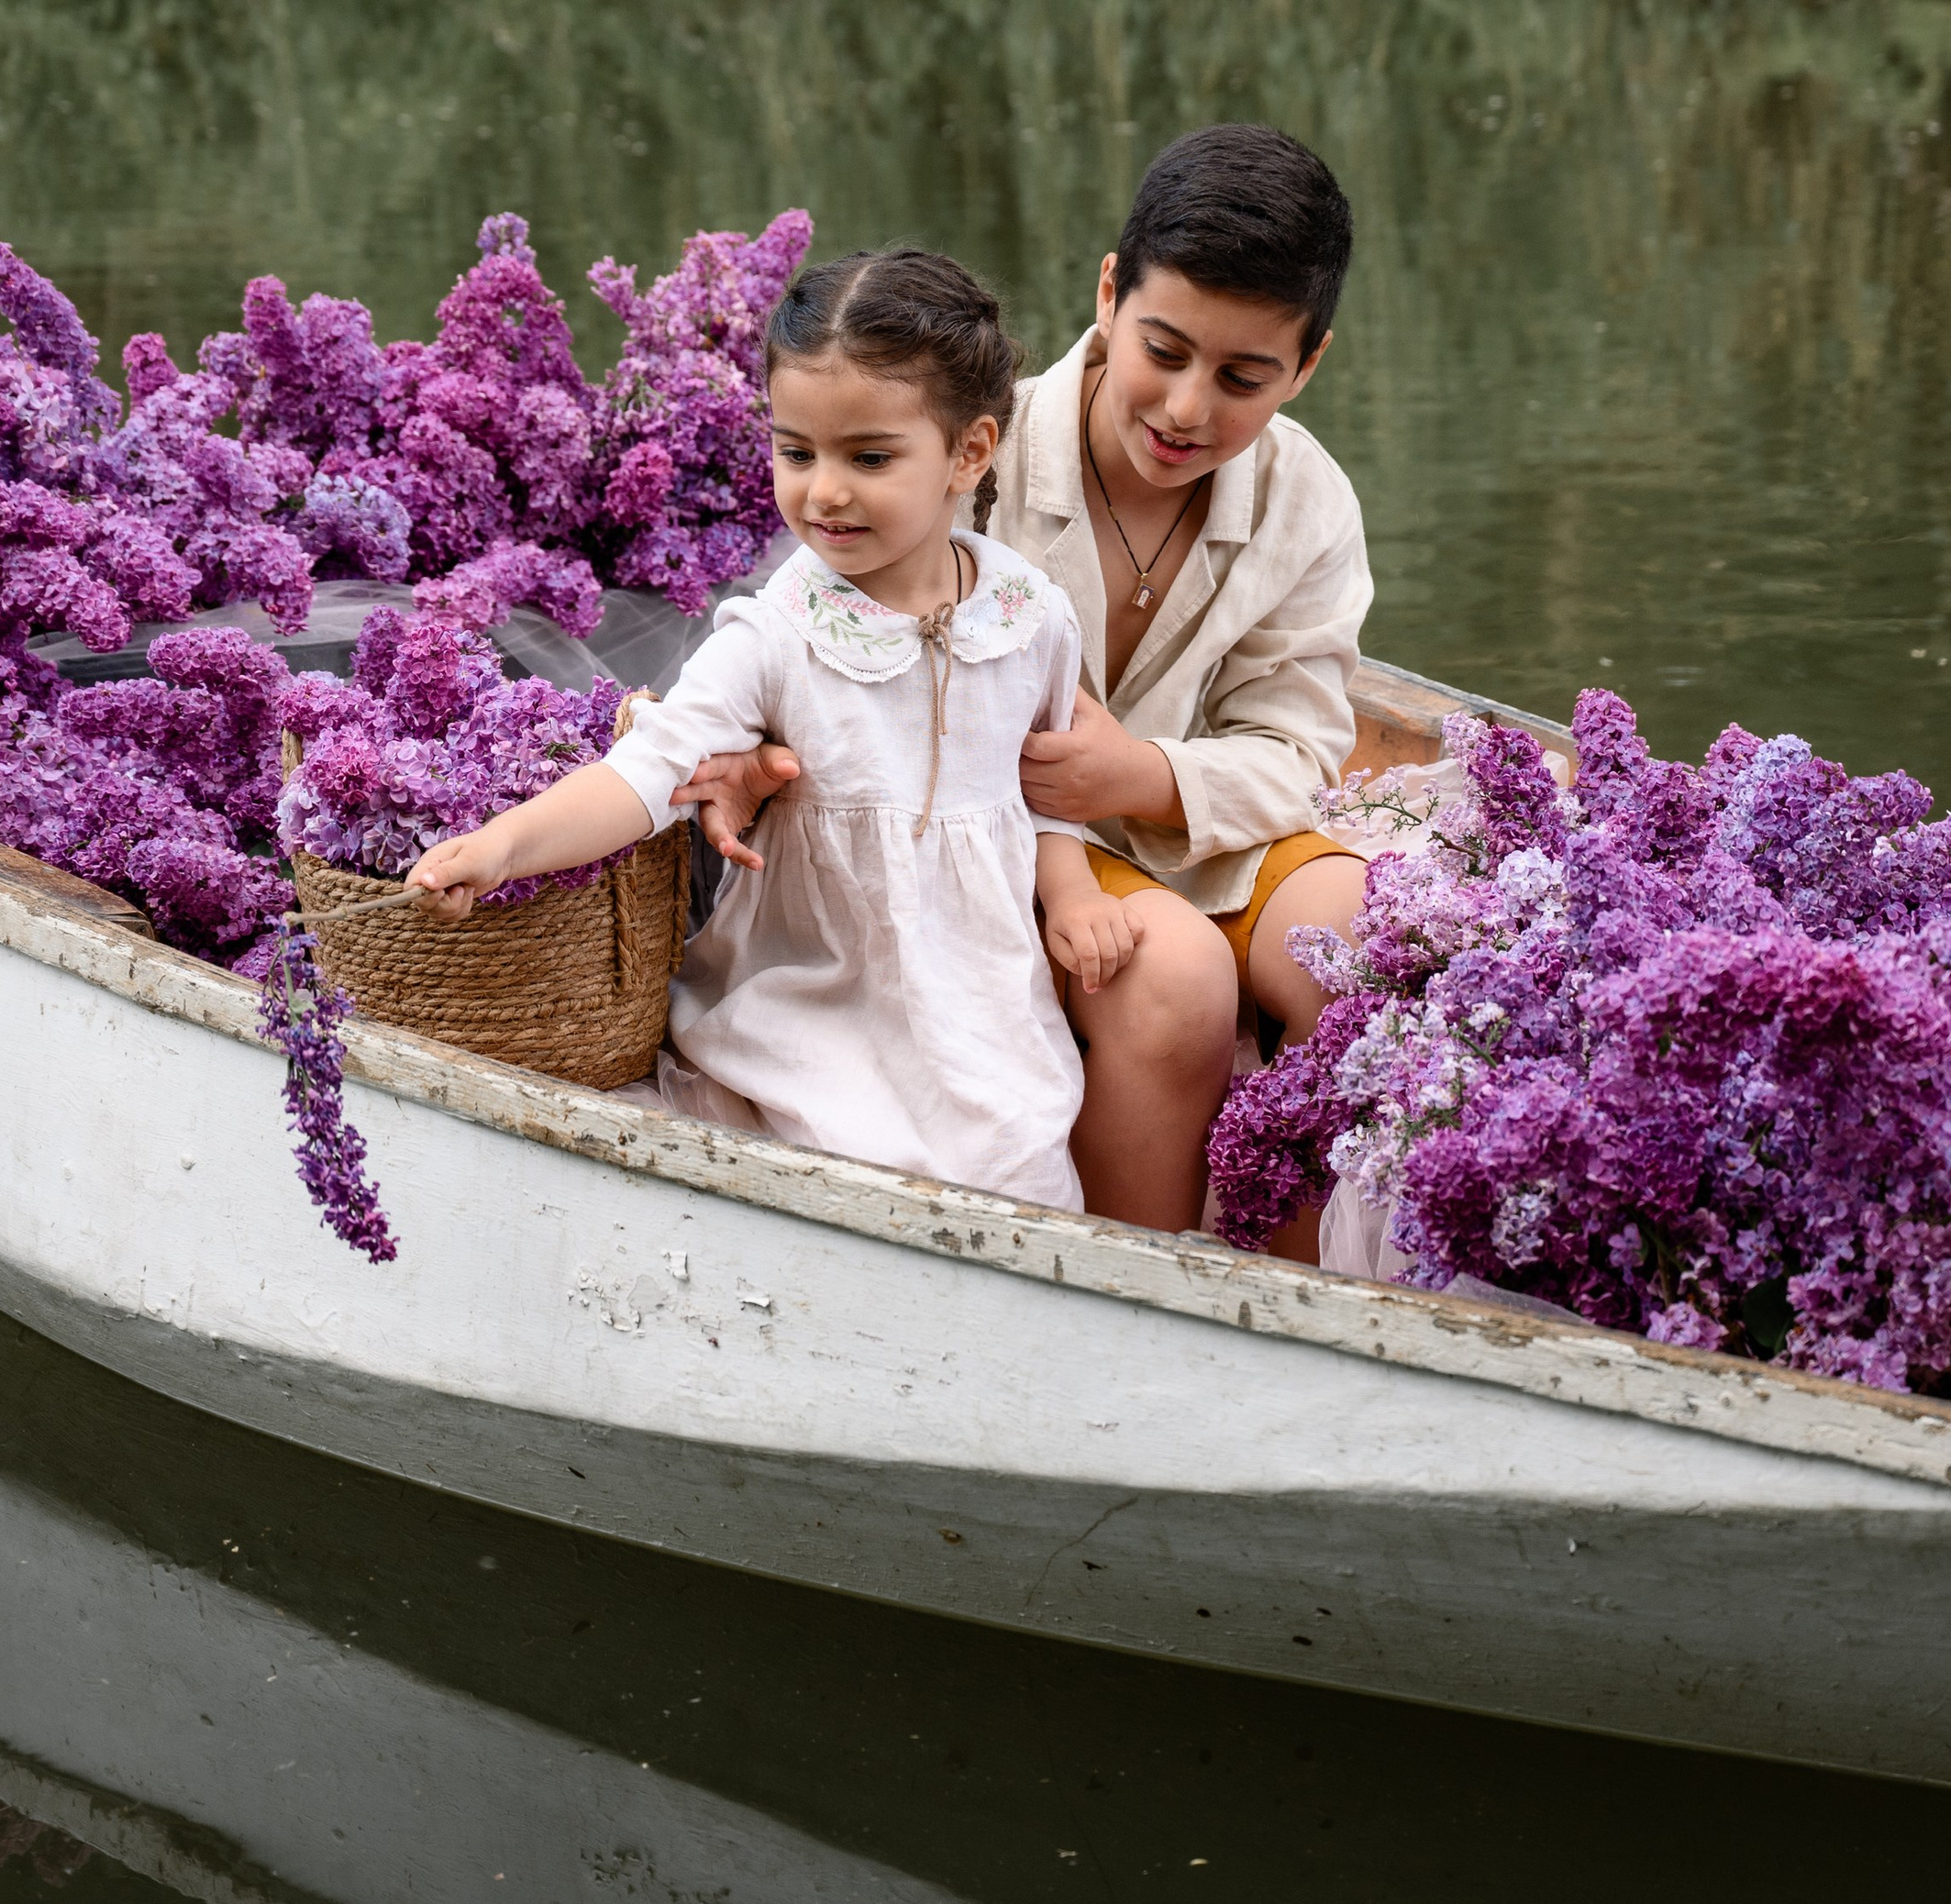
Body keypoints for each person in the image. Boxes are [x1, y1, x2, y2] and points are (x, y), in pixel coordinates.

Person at [682, 126, 1372, 1245]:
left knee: (1352, 939)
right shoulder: (966, 450)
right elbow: (807, 622)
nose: (1189, 408)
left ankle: (1299, 1298)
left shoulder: (1309, 502)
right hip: (1004, 832)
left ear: (1306, 366)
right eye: (1165, 350)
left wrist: (1141, 772)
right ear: (1108, 293)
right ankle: (1130, 1284)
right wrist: (754, 754)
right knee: (1175, 977)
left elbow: (1297, 750)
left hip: (1196, 815)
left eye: (1244, 378)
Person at [407, 246, 1126, 1209]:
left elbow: (1040, 791)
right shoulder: (781, 629)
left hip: (979, 998)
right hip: (820, 989)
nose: (823, 490)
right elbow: (645, 774)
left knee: (1013, 1159)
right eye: (797, 451)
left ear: (968, 452)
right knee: (852, 1156)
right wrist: (503, 847)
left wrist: (1070, 891)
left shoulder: (1031, 615)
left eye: (867, 457)